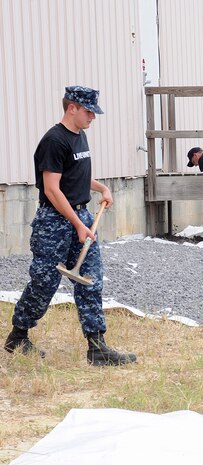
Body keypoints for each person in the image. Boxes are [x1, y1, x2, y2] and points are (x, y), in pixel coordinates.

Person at [4, 86, 136, 366]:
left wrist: (102, 188)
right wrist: (77, 223)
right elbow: (52, 189)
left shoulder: (80, 136)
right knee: (44, 283)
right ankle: (18, 336)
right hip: (54, 223)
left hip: (82, 219)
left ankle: (97, 347)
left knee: (90, 280)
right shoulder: (54, 140)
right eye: (89, 111)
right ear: (72, 108)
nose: (93, 117)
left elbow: (76, 175)